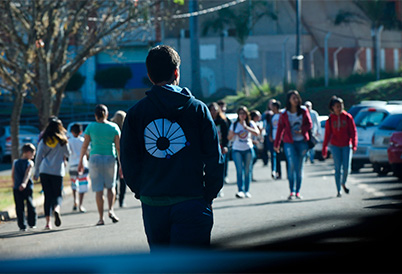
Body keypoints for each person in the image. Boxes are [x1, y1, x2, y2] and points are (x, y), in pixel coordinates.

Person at [120, 45, 223, 250]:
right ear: (176, 72)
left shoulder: (135, 114)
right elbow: (214, 158)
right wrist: (208, 195)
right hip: (193, 201)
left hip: (153, 205)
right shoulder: (198, 109)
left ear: (149, 76)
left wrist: (144, 192)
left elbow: (128, 161)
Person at [78, 104, 121, 226]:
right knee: (111, 187)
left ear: (95, 115)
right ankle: (111, 210)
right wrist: (122, 164)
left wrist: (81, 161)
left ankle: (101, 218)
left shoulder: (91, 127)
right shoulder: (114, 127)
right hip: (110, 159)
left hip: (95, 159)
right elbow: (118, 147)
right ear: (107, 114)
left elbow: (85, 146)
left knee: (98, 190)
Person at [274, 90, 312, 200]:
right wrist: (276, 144)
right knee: (291, 165)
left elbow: (309, 124)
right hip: (289, 143)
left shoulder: (304, 111)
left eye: (297, 98)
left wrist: (302, 130)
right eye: (293, 98)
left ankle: (298, 191)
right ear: (289, 100)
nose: (295, 100)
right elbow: (280, 129)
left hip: (302, 142)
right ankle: (292, 191)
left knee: (299, 167)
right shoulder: (284, 113)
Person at [34, 118, 70, 229]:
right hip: (57, 171)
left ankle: (48, 223)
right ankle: (56, 209)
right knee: (57, 195)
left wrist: (36, 172)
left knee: (47, 196)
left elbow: (38, 157)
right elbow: (68, 154)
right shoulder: (63, 141)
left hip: (45, 171)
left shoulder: (44, 140)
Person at [322, 96, 357, 197]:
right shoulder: (330, 119)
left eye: (341, 106)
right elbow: (327, 135)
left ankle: (343, 182)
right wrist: (324, 148)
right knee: (338, 168)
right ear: (333, 107)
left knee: (346, 168)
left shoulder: (347, 117)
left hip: (346, 145)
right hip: (335, 146)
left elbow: (353, 132)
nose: (339, 108)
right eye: (337, 106)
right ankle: (338, 190)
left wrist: (354, 145)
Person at [228, 106, 260, 198]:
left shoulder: (251, 123)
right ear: (238, 115)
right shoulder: (234, 124)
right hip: (237, 149)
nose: (242, 115)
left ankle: (247, 190)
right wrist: (233, 134)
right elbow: (229, 137)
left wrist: (246, 128)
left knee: (247, 170)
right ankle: (240, 190)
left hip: (248, 148)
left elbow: (257, 133)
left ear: (247, 114)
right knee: (239, 170)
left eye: (244, 113)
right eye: (241, 113)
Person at [12, 143, 37, 231]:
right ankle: (22, 225)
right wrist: (18, 184)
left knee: (30, 205)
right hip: (19, 187)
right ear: (27, 152)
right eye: (33, 152)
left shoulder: (29, 162)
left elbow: (27, 174)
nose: (34, 154)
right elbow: (15, 174)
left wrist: (22, 184)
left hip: (26, 187)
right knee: (20, 207)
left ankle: (32, 223)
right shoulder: (17, 162)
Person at [208, 102, 229, 197]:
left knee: (220, 169)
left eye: (215, 110)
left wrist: (225, 146)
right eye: (211, 110)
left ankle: (220, 188)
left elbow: (226, 136)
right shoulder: (206, 121)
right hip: (208, 148)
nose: (213, 112)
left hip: (220, 147)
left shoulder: (222, 121)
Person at [68, 123, 89, 212]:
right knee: (82, 185)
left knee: (74, 184)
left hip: (72, 164)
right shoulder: (83, 140)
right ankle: (80, 204)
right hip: (82, 164)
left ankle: (74, 200)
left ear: (71, 132)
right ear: (81, 132)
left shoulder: (69, 141)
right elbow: (87, 152)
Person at [111, 110, 127, 207]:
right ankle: (121, 200)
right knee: (123, 179)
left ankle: (115, 194)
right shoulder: (126, 129)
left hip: (113, 155)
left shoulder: (112, 128)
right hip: (124, 156)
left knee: (114, 178)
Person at [217, 100, 232, 184]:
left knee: (225, 161)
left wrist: (226, 143)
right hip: (216, 144)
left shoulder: (226, 119)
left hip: (224, 144)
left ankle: (225, 175)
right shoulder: (213, 118)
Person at [269, 101, 282, 179]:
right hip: (274, 137)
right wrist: (270, 135)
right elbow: (270, 127)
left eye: (273, 107)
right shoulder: (272, 116)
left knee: (281, 156)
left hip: (281, 138)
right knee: (275, 156)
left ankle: (285, 173)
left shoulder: (281, 115)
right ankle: (276, 172)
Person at [250, 110, 263, 181]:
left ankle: (250, 174)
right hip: (250, 144)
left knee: (254, 159)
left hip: (255, 144)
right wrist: (253, 141)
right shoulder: (250, 124)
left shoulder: (257, 124)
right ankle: (248, 175)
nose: (260, 117)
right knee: (252, 159)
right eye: (258, 115)